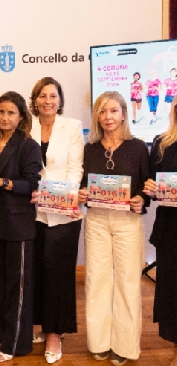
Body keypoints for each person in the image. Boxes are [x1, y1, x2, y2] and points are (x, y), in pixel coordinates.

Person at [77, 91, 149, 366]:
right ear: (97, 115)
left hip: (127, 222)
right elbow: (83, 183)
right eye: (103, 111)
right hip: (96, 220)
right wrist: (82, 193)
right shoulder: (89, 149)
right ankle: (99, 341)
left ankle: (125, 345)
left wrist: (142, 197)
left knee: (128, 282)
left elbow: (148, 184)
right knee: (96, 281)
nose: (108, 116)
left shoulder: (138, 147)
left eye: (113, 111)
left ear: (123, 114)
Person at [0, 91, 42, 363]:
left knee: (17, 287)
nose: (5, 117)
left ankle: (14, 343)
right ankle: (1, 333)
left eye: (11, 113)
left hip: (18, 225)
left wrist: (2, 182)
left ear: (21, 117)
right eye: (1, 111)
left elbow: (31, 184)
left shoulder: (29, 145)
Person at [29, 78, 84, 364]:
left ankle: (55, 334)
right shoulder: (27, 126)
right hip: (33, 212)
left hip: (65, 212)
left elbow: (76, 169)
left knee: (59, 273)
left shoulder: (72, 127)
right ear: (35, 100)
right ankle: (43, 326)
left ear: (60, 100)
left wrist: (65, 197)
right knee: (38, 270)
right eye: (42, 96)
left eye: (53, 95)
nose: (48, 101)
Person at [144, 96, 177, 366]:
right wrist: (151, 188)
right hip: (171, 229)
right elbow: (152, 184)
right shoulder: (161, 143)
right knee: (173, 290)